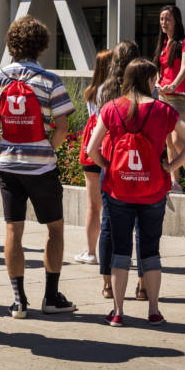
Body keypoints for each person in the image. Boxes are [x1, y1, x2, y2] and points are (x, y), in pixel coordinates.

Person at [86, 58, 185, 327]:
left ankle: (117, 311)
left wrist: (109, 166)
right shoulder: (163, 110)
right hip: (153, 190)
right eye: (155, 79)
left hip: (119, 190)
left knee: (120, 251)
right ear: (149, 81)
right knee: (150, 250)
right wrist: (171, 166)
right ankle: (154, 309)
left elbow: (92, 149)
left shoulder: (111, 108)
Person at [0, 16, 77, 318]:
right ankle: (51, 297)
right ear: (42, 45)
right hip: (41, 168)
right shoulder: (49, 80)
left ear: (11, 44)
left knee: (13, 230)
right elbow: (62, 126)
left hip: (8, 166)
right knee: (55, 228)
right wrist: (48, 149)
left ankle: (18, 300)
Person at [96, 41, 142, 300]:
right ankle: (142, 285)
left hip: (112, 162)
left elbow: (97, 132)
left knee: (109, 225)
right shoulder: (146, 91)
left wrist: (104, 163)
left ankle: (107, 283)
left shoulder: (104, 90)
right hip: (141, 164)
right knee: (142, 225)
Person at [152, 5, 185, 196]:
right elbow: (158, 68)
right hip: (163, 96)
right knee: (169, 140)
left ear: (176, 20)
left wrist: (173, 85)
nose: (164, 23)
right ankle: (175, 182)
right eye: (162, 19)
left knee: (180, 139)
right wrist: (157, 81)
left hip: (179, 97)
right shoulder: (164, 42)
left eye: (167, 19)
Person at [74, 49, 113, 266]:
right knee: (113, 206)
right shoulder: (116, 91)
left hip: (92, 150)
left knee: (93, 206)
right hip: (110, 149)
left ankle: (91, 252)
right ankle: (113, 250)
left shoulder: (92, 91)